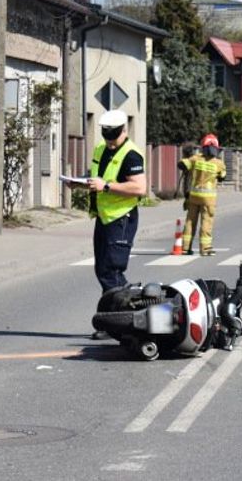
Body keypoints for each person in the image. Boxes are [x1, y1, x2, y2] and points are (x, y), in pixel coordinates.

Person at [87, 109, 148, 338]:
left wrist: (106, 186)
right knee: (103, 269)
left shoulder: (132, 155)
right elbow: (100, 178)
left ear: (124, 130)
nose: (110, 142)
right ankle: (116, 320)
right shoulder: (101, 149)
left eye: (114, 136)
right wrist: (84, 184)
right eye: (106, 136)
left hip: (121, 218)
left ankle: (120, 321)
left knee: (112, 270)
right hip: (104, 217)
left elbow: (139, 188)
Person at [183, 133, 226, 256]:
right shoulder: (219, 163)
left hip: (194, 197)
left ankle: (186, 248)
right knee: (206, 222)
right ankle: (205, 249)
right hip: (208, 200)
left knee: (190, 221)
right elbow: (223, 176)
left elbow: (182, 164)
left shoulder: (196, 159)